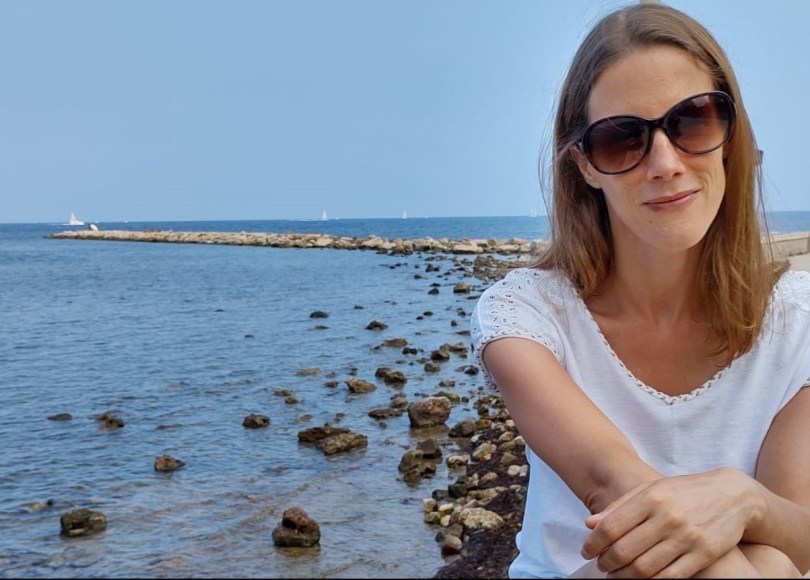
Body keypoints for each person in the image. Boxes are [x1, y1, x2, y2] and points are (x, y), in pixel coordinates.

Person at [470, 1, 810, 578]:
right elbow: (619, 493)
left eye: (693, 120)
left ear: (729, 134)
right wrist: (748, 525)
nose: (664, 162)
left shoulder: (797, 322)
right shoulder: (526, 316)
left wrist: (744, 499)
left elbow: (799, 534)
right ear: (584, 165)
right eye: (621, 139)